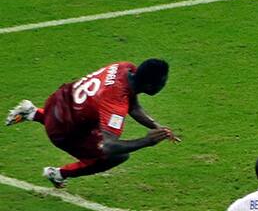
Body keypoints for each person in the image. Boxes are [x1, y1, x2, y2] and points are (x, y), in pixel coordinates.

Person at [5, 59, 178, 188]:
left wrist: (156, 127)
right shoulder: (116, 100)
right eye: (163, 81)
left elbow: (133, 105)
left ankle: (33, 112)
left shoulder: (126, 68)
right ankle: (57, 174)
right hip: (62, 130)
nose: (165, 84)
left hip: (59, 101)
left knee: (89, 118)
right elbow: (109, 146)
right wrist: (147, 141)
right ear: (149, 85)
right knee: (116, 156)